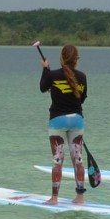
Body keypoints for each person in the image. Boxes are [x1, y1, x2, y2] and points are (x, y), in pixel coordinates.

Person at [39, 44, 88, 205]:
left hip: (57, 121)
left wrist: (46, 69)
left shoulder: (52, 75)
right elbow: (81, 98)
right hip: (76, 120)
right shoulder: (82, 76)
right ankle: (80, 197)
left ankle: (54, 198)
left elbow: (42, 88)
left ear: (61, 58)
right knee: (78, 159)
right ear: (77, 60)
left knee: (58, 159)